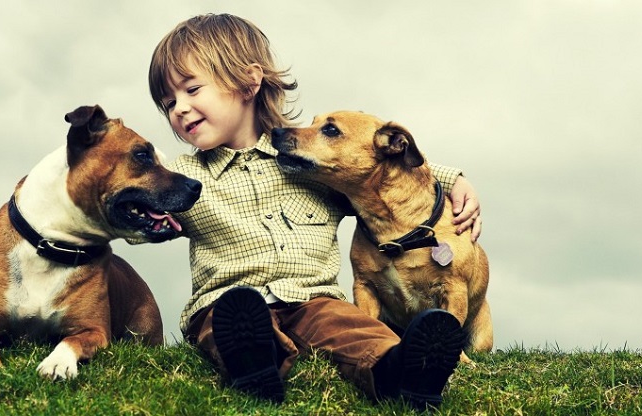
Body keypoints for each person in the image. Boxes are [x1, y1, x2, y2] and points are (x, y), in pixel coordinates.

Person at [148, 13, 481, 410]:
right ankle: (254, 368)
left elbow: (380, 174)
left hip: (314, 300)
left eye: (191, 89)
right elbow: (135, 203)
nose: (179, 109)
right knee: (226, 323)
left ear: (249, 83)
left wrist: (453, 178)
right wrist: (143, 218)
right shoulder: (182, 177)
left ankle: (401, 372)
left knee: (354, 329)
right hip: (230, 300)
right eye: (169, 103)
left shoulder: (316, 166)